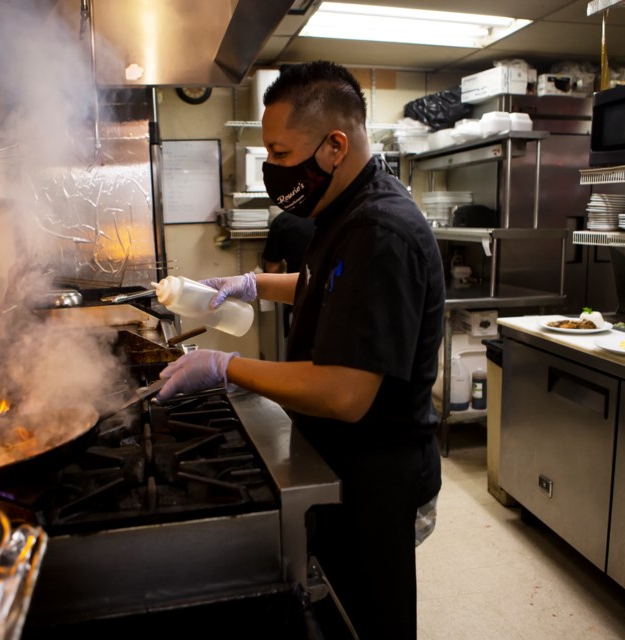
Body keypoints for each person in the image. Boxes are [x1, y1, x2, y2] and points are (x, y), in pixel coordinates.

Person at [157, 61, 445, 639]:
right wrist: (253, 285)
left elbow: (344, 394)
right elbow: (332, 282)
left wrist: (225, 366)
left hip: (375, 472)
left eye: (282, 155)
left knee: (367, 622)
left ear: (335, 145)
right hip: (343, 460)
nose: (272, 169)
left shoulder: (380, 230)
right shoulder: (342, 210)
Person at [262, 209, 315, 340]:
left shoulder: (283, 220)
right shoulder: (338, 216)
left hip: (299, 299)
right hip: (334, 301)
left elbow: (272, 269)